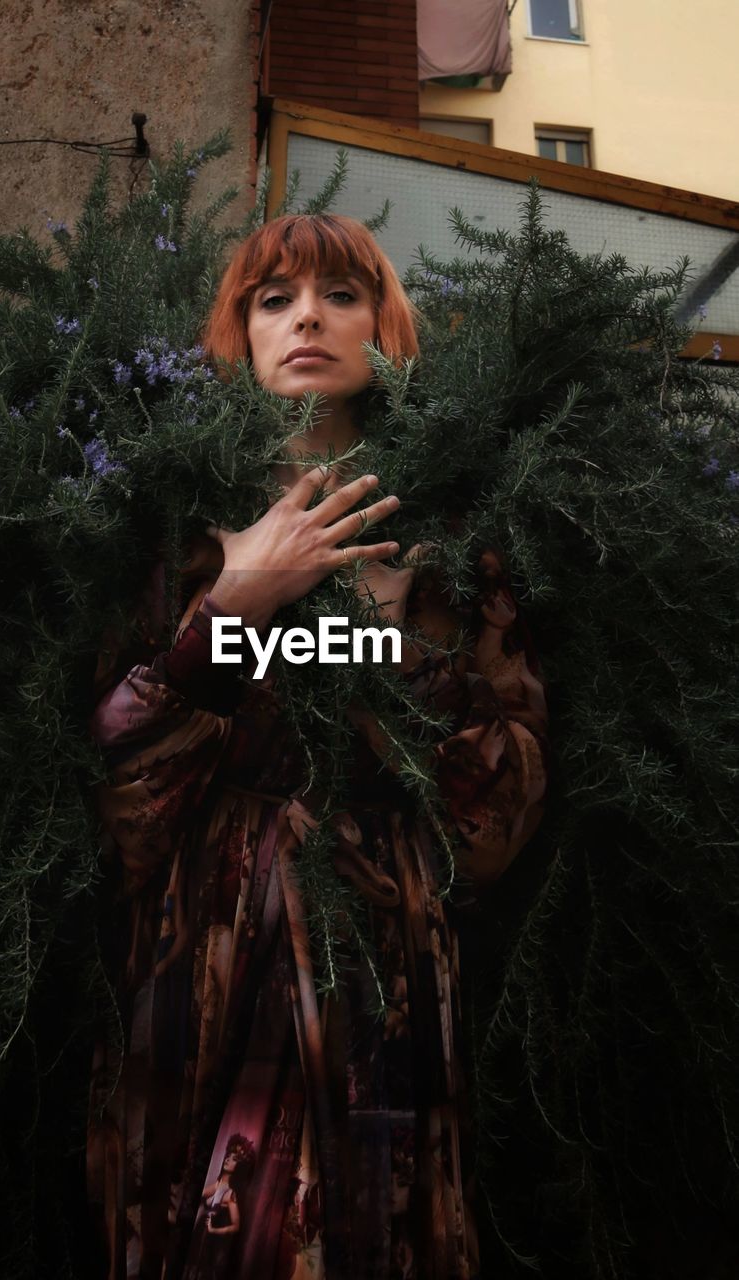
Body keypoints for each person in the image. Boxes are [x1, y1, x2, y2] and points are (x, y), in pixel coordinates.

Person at [85, 213, 548, 1279]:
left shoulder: (454, 540)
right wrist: (235, 602)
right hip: (197, 947)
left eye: (340, 294)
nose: (306, 317)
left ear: (385, 327)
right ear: (239, 332)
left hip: (376, 947)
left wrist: (372, 646)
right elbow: (112, 787)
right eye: (273, 296)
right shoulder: (176, 531)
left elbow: (500, 795)